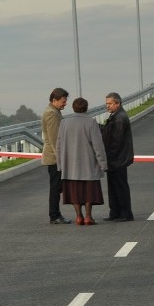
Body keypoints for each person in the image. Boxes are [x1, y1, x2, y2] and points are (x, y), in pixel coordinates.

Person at [56, 98, 108, 225]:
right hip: (88, 164)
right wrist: (103, 164)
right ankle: (88, 217)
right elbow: (98, 146)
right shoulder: (91, 122)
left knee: (74, 191)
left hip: (70, 165)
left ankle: (78, 216)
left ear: (73, 108)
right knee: (88, 191)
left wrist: (60, 164)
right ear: (86, 108)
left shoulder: (64, 123)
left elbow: (58, 145)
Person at [101, 92, 134, 222]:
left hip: (118, 159)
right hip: (115, 159)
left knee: (120, 187)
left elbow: (116, 141)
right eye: (106, 103)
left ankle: (125, 213)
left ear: (117, 103)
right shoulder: (116, 116)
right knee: (113, 187)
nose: (107, 106)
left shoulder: (120, 118)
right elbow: (108, 132)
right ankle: (115, 212)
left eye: (109, 103)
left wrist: (108, 156)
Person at [41, 87, 71, 224]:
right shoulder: (52, 114)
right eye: (63, 101)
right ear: (54, 100)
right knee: (55, 187)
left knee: (57, 186)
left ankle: (55, 214)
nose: (65, 104)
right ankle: (54, 215)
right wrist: (61, 160)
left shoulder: (54, 111)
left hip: (55, 157)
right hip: (54, 158)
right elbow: (54, 139)